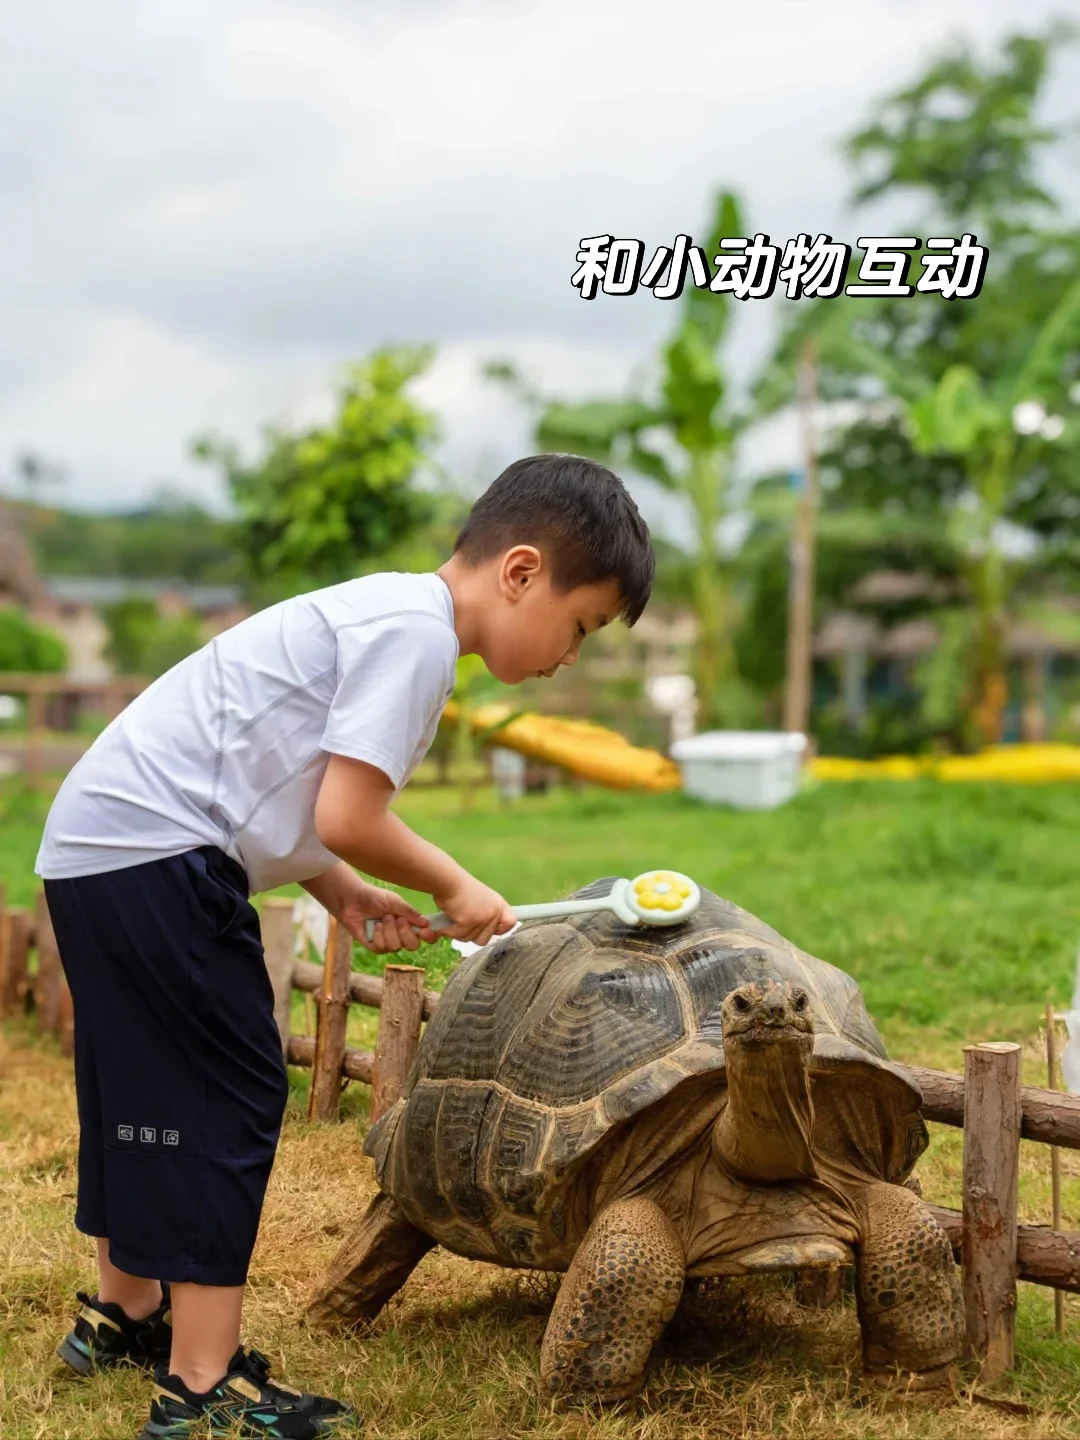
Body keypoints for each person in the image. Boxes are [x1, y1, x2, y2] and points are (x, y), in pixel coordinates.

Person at [35, 453, 654, 1439]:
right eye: (579, 626)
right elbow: (351, 808)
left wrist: (344, 887)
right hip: (159, 853)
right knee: (226, 1096)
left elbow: (290, 786)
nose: (568, 655)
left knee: (142, 1090)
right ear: (523, 572)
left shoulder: (382, 612)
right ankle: (202, 1388)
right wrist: (452, 883)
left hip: (96, 846)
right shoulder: (416, 640)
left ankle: (127, 1313)